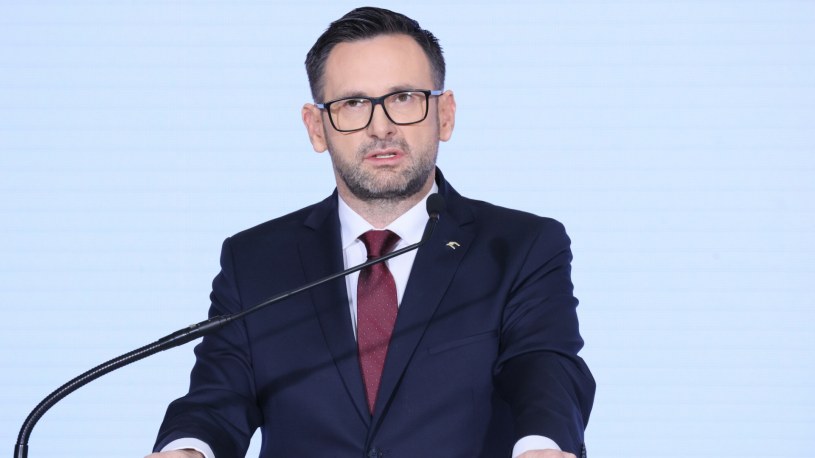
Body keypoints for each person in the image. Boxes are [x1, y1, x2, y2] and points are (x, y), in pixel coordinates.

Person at [147, 7, 594, 458]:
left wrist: (543, 444)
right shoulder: (254, 261)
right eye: (353, 104)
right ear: (316, 128)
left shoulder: (520, 247)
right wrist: (188, 450)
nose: (381, 127)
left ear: (445, 114)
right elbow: (217, 399)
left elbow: (544, 368)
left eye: (404, 97)